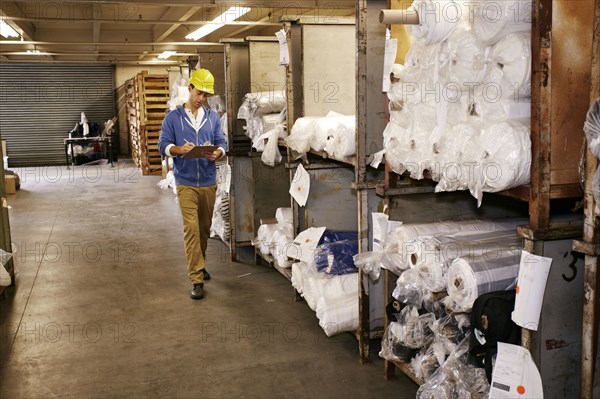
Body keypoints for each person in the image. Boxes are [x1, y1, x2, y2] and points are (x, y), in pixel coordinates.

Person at [158, 68, 228, 300]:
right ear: (190, 88)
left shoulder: (213, 118)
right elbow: (163, 146)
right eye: (199, 93)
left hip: (208, 181)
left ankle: (201, 262)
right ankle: (196, 278)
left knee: (204, 229)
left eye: (206, 95)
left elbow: (222, 142)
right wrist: (178, 150)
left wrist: (217, 152)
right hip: (186, 182)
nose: (201, 99)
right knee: (191, 229)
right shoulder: (173, 118)